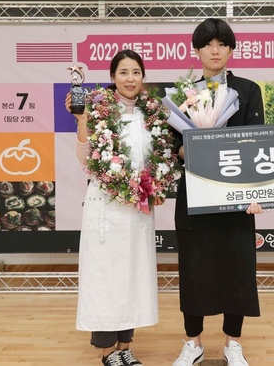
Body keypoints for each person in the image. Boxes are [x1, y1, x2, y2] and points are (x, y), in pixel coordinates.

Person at [66, 50, 179, 366]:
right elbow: (85, 159)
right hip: (106, 206)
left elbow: (162, 157)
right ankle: (107, 351)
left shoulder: (152, 113)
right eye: (124, 72)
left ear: (143, 77)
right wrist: (82, 121)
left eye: (136, 72)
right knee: (106, 277)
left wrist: (156, 185)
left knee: (133, 276)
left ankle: (125, 345)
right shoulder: (99, 109)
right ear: (113, 76)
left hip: (138, 208)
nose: (130, 79)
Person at [172, 18, 265, 366]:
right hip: (195, 192)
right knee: (194, 267)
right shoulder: (184, 93)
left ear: (231, 50)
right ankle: (193, 343)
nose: (215, 50)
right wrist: (195, 147)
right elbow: (173, 147)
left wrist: (255, 193)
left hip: (236, 195)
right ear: (196, 50)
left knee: (237, 267)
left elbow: (257, 142)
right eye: (208, 44)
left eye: (222, 44)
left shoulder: (248, 90)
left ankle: (233, 343)